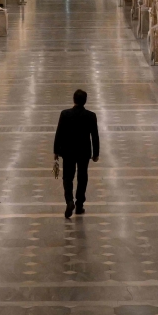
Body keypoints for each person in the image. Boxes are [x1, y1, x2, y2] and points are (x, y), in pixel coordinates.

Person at [53, 89, 100, 218]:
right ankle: (79, 205)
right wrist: (96, 153)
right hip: (84, 151)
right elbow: (95, 136)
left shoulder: (65, 114)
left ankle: (69, 201)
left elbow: (59, 133)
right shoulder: (91, 116)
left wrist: (56, 151)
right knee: (82, 177)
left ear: (74, 99)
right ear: (85, 101)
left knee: (67, 177)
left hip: (68, 151)